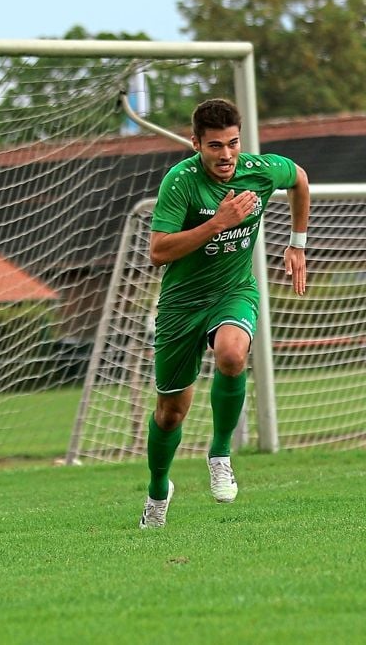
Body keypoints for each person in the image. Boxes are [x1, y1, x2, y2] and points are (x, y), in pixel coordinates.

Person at [140, 98, 310, 528]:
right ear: (196, 143)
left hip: (234, 291)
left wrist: (297, 243)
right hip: (181, 305)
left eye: (233, 143)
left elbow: (301, 179)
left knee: (233, 355)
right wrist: (217, 223)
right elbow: (158, 252)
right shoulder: (180, 183)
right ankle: (159, 490)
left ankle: (220, 454)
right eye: (215, 146)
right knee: (170, 412)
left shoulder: (260, 170)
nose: (227, 155)